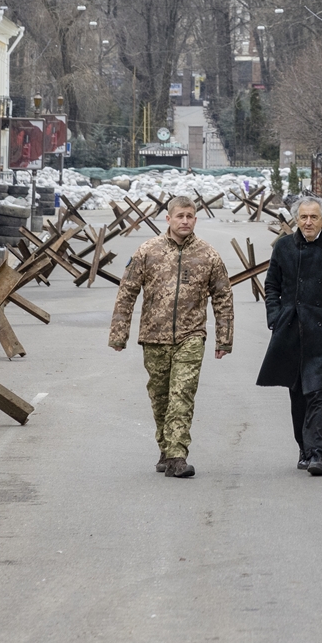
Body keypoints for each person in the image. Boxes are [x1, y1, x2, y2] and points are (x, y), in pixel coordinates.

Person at [109, 195, 233, 479]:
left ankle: (177, 456)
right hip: (154, 336)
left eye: (190, 216)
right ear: (168, 219)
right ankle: (165, 448)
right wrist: (119, 334)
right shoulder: (147, 251)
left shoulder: (208, 255)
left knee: (182, 394)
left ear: (195, 219)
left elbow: (224, 297)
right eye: (180, 216)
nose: (185, 221)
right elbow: (126, 293)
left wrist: (223, 339)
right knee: (160, 397)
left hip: (191, 336)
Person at [256, 195, 322, 476]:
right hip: (289, 328)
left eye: (314, 217)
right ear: (296, 220)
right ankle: (303, 446)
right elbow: (272, 285)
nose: (308, 222)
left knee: (317, 391)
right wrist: (275, 317)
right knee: (297, 392)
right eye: (303, 217)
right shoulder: (284, 246)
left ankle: (316, 453)